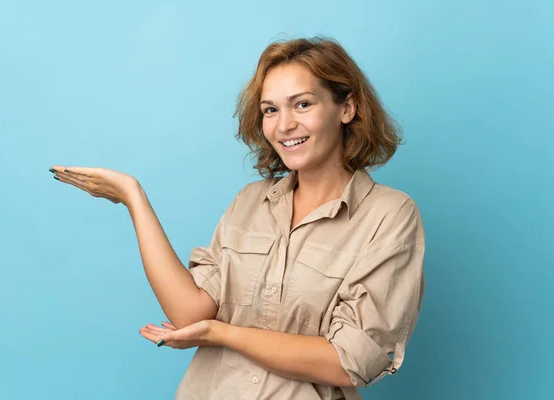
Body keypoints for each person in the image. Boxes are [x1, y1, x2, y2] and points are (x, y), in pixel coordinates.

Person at [49, 36, 426, 400]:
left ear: (347, 108)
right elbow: (189, 313)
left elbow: (347, 362)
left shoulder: (389, 215)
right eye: (270, 110)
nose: (284, 125)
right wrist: (135, 199)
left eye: (303, 104)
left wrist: (222, 334)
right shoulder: (249, 202)